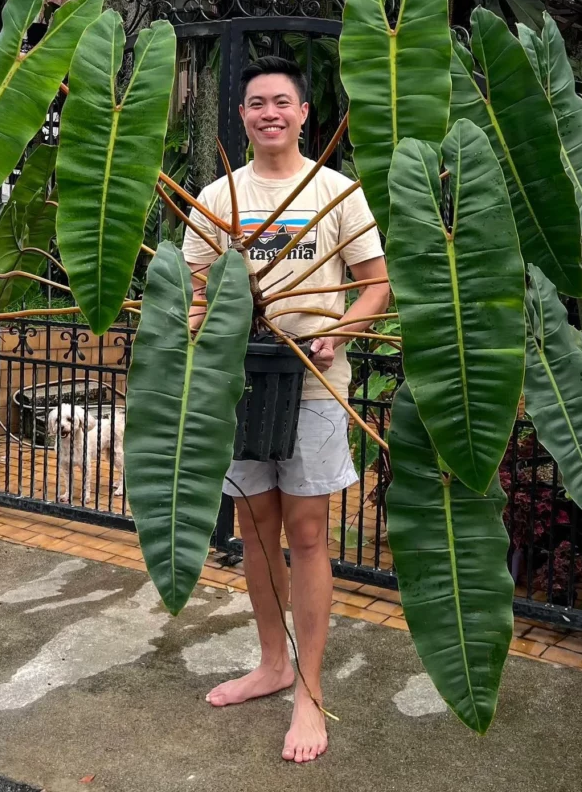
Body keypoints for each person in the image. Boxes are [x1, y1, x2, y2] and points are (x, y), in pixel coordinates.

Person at [182, 56, 389, 764]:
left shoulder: (337, 192)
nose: (269, 113)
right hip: (240, 381)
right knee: (255, 527)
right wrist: (201, 327)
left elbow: (375, 285)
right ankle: (270, 663)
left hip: (314, 380)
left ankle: (309, 689)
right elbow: (200, 292)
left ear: (305, 113)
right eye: (256, 103)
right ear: (241, 117)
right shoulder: (217, 195)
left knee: (306, 532)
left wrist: (341, 330)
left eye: (282, 102)